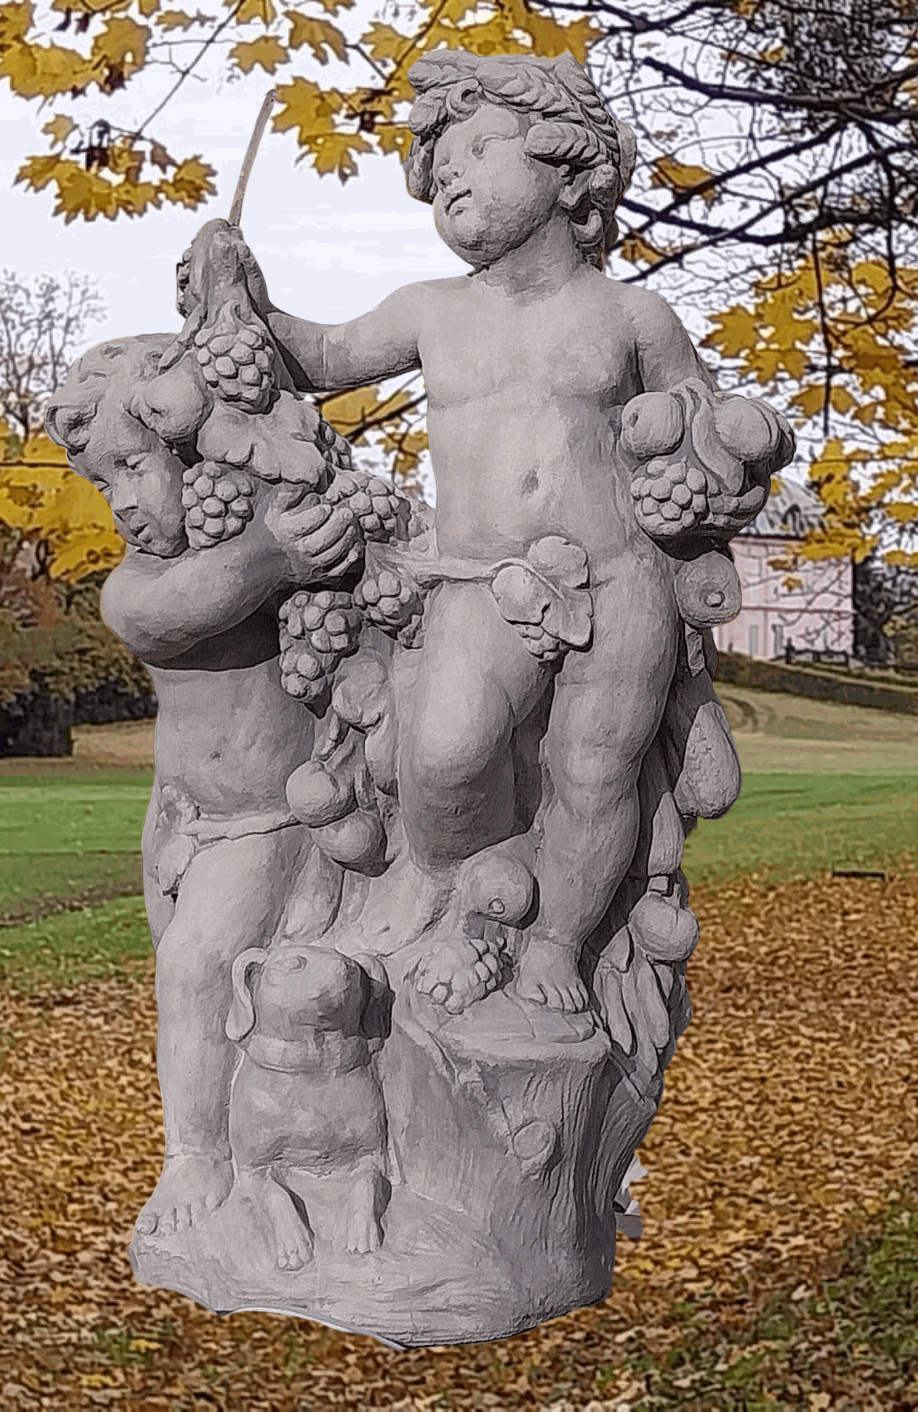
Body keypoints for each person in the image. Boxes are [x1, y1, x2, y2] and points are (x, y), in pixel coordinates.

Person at [186, 51, 787, 1012]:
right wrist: (237, 290)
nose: (451, 180)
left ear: (567, 165)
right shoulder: (431, 310)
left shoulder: (633, 315)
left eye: (475, 151)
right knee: (444, 754)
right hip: (478, 578)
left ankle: (556, 942)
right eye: (439, 173)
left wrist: (726, 446)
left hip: (618, 581)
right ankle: (470, 886)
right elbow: (318, 356)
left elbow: (710, 433)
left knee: (596, 774)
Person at [46, 335, 357, 1234]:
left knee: (197, 971)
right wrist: (276, 555)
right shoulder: (136, 588)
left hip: (271, 821)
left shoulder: (270, 532)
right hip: (179, 822)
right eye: (103, 483)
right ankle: (249, 1143)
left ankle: (201, 1159)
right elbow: (174, 614)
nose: (122, 502)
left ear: (198, 451)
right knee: (185, 978)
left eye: (135, 467)